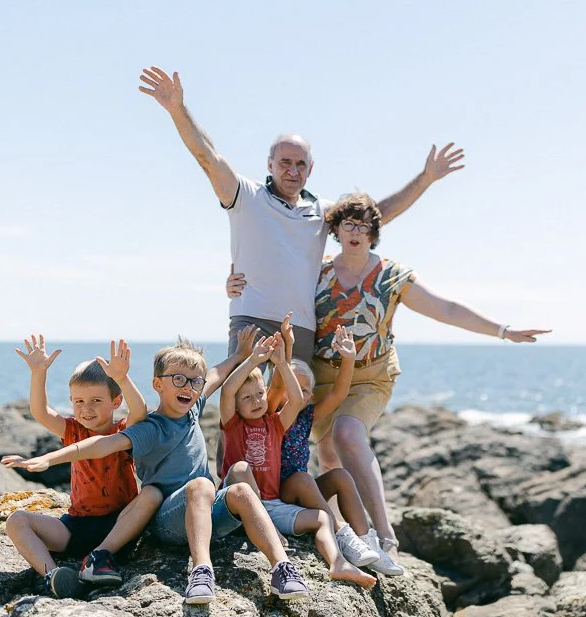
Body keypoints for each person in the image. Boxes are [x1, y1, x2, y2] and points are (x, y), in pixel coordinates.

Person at [227, 192, 552, 575]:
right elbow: (272, 275)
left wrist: (502, 330)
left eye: (364, 226)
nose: (355, 232)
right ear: (335, 229)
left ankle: (385, 537)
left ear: (374, 233)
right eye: (348, 223)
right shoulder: (319, 271)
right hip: (322, 373)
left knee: (347, 434)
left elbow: (445, 308)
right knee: (328, 453)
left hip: (371, 375)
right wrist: (235, 283)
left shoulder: (392, 276)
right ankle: (345, 534)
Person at [138, 66, 466, 366]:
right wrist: (177, 109)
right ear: (270, 164)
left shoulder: (322, 212)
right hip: (251, 320)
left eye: (300, 164)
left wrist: (426, 178)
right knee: (242, 418)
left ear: (310, 168)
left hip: (301, 328)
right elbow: (208, 157)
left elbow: (378, 214)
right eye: (284, 162)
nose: (292, 170)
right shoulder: (246, 197)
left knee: (290, 422)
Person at [3, 335, 310, 604]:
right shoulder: (151, 428)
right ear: (158, 385)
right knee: (200, 485)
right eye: (178, 379)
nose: (188, 387)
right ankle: (201, 571)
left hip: (202, 512)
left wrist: (245, 356)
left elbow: (216, 374)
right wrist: (52, 458)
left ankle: (282, 568)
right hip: (167, 521)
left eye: (194, 382)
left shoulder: (194, 409)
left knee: (241, 486)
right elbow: (100, 445)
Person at [218, 332, 376, 589]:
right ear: (235, 405)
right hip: (240, 503)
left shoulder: (277, 424)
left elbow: (295, 398)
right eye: (247, 398)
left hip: (274, 504)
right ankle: (269, 533)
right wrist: (252, 360)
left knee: (323, 518)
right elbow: (227, 391)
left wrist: (281, 362)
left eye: (260, 394)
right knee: (241, 468)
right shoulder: (232, 424)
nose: (257, 401)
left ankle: (338, 562)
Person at [3, 336, 154, 598]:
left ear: (115, 402)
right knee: (17, 521)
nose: (86, 409)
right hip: (76, 528)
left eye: (96, 400)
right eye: (79, 401)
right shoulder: (72, 430)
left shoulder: (123, 433)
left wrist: (122, 378)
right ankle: (54, 575)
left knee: (151, 495)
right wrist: (38, 373)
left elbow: (140, 411)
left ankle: (99, 559)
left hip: (119, 527)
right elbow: (40, 412)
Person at [266, 319, 384, 572]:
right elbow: (276, 384)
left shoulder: (306, 417)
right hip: (278, 496)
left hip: (302, 493)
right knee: (301, 477)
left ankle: (366, 540)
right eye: (293, 387)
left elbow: (338, 394)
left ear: (309, 397)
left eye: (305, 390)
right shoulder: (269, 416)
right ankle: (341, 533)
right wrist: (287, 347)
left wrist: (348, 359)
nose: (299, 393)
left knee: (340, 475)